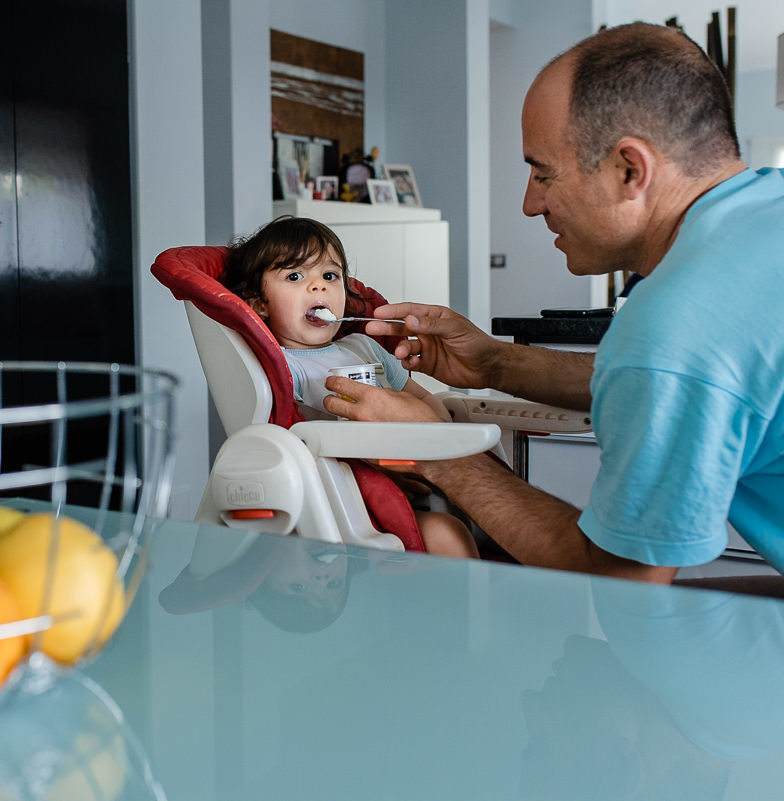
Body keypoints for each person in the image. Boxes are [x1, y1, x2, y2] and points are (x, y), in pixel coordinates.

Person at [322, 22, 784, 585]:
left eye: (543, 172)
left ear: (629, 169)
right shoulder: (764, 212)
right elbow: (667, 383)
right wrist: (495, 363)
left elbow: (622, 582)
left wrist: (436, 450)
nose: (528, 203)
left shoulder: (679, 323)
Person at [224, 215, 478, 559]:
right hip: (354, 501)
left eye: (330, 276)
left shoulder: (364, 346)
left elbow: (422, 400)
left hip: (423, 469)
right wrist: (388, 470)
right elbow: (303, 441)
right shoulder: (285, 368)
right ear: (260, 305)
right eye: (295, 276)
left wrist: (441, 442)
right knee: (448, 535)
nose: (319, 287)